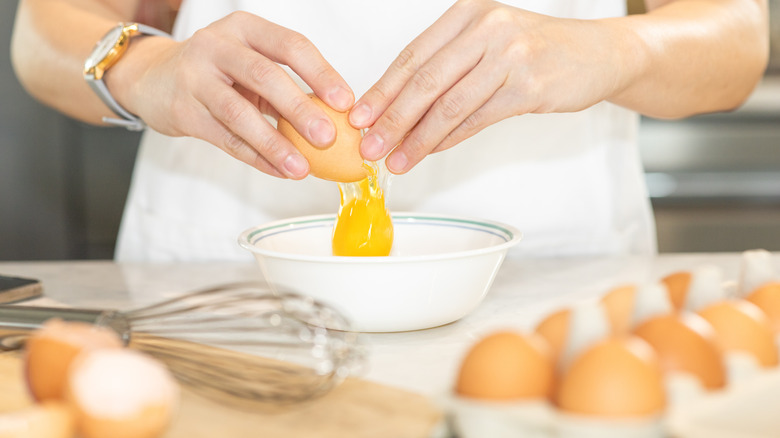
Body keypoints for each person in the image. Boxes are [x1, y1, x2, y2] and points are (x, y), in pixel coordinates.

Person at [11, 0, 769, 262]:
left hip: (549, 272)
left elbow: (738, 36)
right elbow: (42, 30)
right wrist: (145, 69)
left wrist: (615, 48)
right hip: (224, 284)